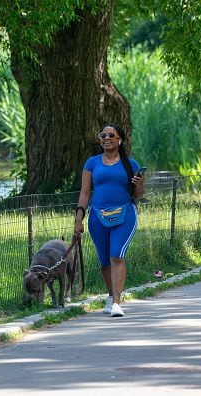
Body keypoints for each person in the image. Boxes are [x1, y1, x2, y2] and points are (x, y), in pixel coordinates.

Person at [74, 124, 144, 317]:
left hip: (125, 214)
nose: (106, 138)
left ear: (119, 139)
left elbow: (138, 195)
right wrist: (79, 219)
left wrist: (138, 184)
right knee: (105, 260)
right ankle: (110, 294)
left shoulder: (131, 164)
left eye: (111, 135)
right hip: (97, 216)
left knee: (117, 256)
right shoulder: (92, 163)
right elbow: (85, 192)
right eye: (102, 135)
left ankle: (116, 302)